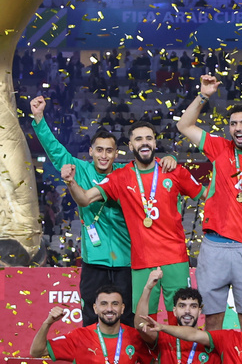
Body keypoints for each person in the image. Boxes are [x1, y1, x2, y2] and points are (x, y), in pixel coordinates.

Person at [30, 96, 176, 327]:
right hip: (94, 261)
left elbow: (149, 163)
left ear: (116, 153)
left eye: (109, 151)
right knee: (90, 314)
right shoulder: (80, 169)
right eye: (99, 150)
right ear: (91, 151)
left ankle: (127, 358)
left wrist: (170, 158)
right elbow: (54, 149)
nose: (104, 155)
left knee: (127, 316)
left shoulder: (127, 173)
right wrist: (39, 118)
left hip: (126, 261)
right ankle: (93, 358)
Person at [63, 122, 201, 322]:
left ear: (155, 143)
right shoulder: (120, 177)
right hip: (141, 261)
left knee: (182, 317)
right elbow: (84, 199)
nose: (144, 143)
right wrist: (70, 182)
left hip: (175, 258)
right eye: (138, 139)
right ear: (130, 145)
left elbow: (206, 195)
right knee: (143, 322)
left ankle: (180, 354)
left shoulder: (172, 170)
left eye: (149, 138)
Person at [176, 75, 242, 331]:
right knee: (212, 320)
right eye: (233, 123)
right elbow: (184, 125)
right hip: (214, 246)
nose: (237, 128)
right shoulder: (219, 148)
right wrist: (204, 95)